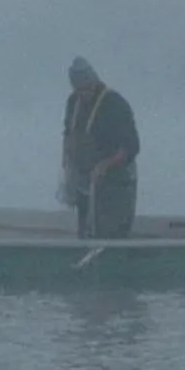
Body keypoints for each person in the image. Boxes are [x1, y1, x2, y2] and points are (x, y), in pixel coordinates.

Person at [60, 57, 139, 238]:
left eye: (86, 87)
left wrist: (105, 165)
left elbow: (131, 147)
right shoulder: (73, 102)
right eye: (78, 89)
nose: (83, 93)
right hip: (85, 182)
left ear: (94, 80)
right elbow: (68, 132)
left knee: (110, 232)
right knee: (85, 230)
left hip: (116, 184)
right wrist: (66, 159)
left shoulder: (115, 104)